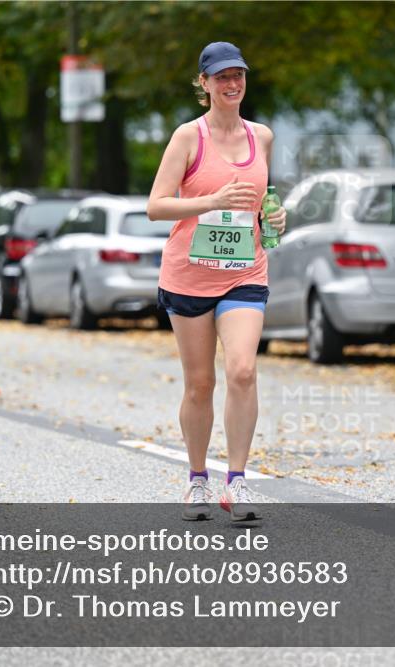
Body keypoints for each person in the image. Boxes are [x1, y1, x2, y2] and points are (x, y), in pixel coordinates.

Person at [146, 42, 286, 522]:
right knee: (199, 384)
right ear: (203, 84)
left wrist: (274, 219)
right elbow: (156, 205)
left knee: (243, 371)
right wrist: (210, 201)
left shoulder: (262, 137)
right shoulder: (188, 137)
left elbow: (261, 201)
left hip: (245, 272)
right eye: (221, 76)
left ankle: (239, 481)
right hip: (189, 276)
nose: (232, 84)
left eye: (239, 75)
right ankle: (197, 480)